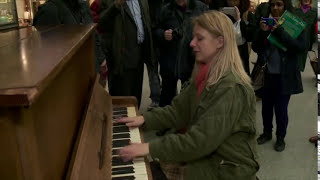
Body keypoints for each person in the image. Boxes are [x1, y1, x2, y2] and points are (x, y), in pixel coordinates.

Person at [116, 10, 259, 180]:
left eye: (200, 38)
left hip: (227, 168)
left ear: (220, 41)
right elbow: (178, 111)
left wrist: (149, 147)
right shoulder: (204, 74)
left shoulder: (232, 87)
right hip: (208, 156)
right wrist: (144, 119)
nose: (191, 43)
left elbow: (200, 141)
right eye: (193, 37)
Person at [252, 0, 307, 152]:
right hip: (267, 74)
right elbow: (256, 47)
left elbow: (301, 47)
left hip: (285, 75)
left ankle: (281, 137)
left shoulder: (294, 24)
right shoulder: (265, 21)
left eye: (279, 4)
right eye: (272, 5)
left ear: (285, 6)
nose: (275, 8)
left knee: (281, 110)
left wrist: (279, 31)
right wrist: (263, 32)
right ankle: (267, 133)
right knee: (266, 108)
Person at [98, 0, 156, 107]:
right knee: (122, 104)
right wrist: (116, 5)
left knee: (135, 100)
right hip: (120, 61)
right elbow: (101, 24)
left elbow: (147, 24)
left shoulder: (142, 1)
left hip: (139, 57)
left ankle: (134, 122)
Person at [33, 0, 106, 83]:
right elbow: (49, 61)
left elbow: (93, 34)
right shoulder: (49, 11)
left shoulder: (83, 6)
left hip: (93, 74)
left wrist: (101, 58)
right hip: (73, 83)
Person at [154, 0, 207, 107]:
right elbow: (155, 29)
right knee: (166, 99)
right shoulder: (165, 9)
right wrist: (163, 34)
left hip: (193, 61)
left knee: (191, 98)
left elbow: (211, 29)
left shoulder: (200, 8)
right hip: (170, 61)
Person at [222, 0, 256, 76]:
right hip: (223, 57)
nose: (232, 2)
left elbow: (251, 36)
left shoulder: (248, 15)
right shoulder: (221, 15)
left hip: (241, 57)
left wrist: (239, 21)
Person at [292, 0, 317, 71]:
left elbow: (313, 28)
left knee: (300, 64)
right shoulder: (294, 10)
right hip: (294, 40)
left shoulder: (314, 12)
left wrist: (311, 43)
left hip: (305, 41)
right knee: (292, 62)